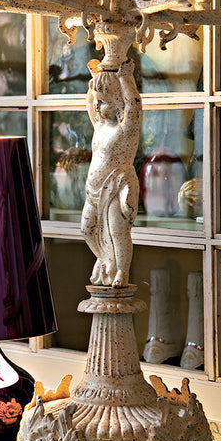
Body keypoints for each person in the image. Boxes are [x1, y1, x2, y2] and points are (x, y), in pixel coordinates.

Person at [81, 57, 142, 287]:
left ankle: (122, 271)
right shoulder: (99, 125)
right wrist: (96, 78)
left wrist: (126, 79)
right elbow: (89, 104)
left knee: (118, 232)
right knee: (87, 229)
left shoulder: (125, 129)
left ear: (118, 102)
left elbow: (134, 106)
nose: (97, 106)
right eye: (98, 101)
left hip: (116, 186)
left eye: (103, 101)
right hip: (94, 190)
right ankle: (106, 259)